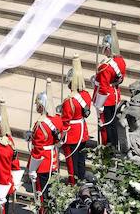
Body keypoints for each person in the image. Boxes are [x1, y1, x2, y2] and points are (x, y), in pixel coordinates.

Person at [27, 78, 64, 213]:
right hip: (53, 159)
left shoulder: (40, 125)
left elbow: (38, 149)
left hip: (42, 163)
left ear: (42, 106)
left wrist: (32, 169)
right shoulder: (56, 119)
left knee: (41, 194)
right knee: (52, 192)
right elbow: (59, 137)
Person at [94, 21, 126, 147]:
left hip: (106, 98)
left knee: (107, 124)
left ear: (108, 48)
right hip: (116, 93)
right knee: (114, 123)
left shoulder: (105, 66)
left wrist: (99, 104)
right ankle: (115, 145)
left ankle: (110, 148)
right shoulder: (120, 61)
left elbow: (103, 87)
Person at [61, 54, 91, 185]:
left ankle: (73, 183)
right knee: (80, 160)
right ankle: (82, 180)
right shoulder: (85, 95)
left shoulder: (69, 101)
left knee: (71, 162)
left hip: (72, 134)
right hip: (82, 131)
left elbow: (65, 121)